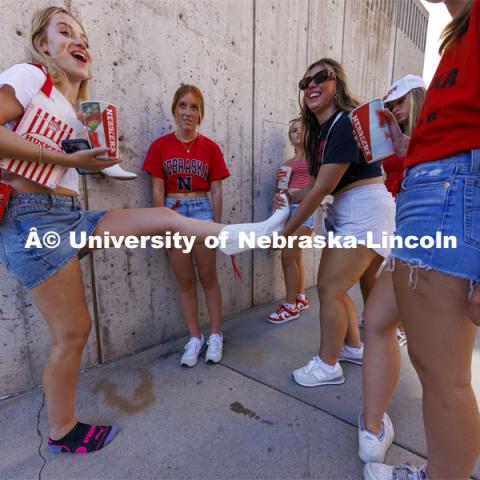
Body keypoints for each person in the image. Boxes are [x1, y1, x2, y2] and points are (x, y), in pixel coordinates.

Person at [0, 6, 288, 455]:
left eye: (83, 36)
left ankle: (235, 236)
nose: (80, 41)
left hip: (68, 214)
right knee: (74, 332)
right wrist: (70, 160)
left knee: (169, 218)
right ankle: (61, 431)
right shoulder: (29, 76)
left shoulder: (72, 108)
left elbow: (65, 169)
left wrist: (101, 163)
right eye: (65, 32)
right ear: (42, 44)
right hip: (33, 218)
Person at [364, 0, 480, 478]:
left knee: (441, 374)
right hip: (431, 198)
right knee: (378, 318)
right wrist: (408, 149)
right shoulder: (460, 31)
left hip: (447, 198)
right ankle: (377, 431)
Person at [275, 58, 395, 387]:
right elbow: (315, 187)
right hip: (350, 208)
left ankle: (328, 365)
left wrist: (286, 233)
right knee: (337, 287)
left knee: (328, 287)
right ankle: (353, 347)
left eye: (320, 78)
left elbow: (325, 187)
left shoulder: (342, 122)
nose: (311, 86)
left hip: (364, 208)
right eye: (305, 82)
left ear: (336, 83)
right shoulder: (321, 133)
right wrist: (287, 199)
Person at [358, 74, 426, 464]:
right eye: (391, 106)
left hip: (436, 249)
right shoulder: (402, 145)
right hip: (409, 244)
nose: (395, 111)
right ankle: (372, 427)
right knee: (378, 322)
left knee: (437, 364)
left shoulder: (439, 136)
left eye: (401, 103)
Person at [143, 85, 230, 367]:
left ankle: (216, 333)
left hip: (202, 211)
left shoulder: (211, 148)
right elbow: (157, 189)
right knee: (184, 280)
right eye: (183, 105)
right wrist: (161, 225)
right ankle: (196, 338)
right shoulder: (160, 146)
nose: (188, 112)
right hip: (172, 212)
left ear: (200, 113)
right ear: (174, 109)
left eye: (194, 107)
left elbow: (216, 189)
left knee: (208, 277)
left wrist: (216, 227)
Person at [267, 118, 314, 324]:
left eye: (302, 128)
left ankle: (290, 306)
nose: (298, 132)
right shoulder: (286, 165)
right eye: (294, 130)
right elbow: (280, 195)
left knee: (287, 256)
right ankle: (300, 298)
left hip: (308, 211)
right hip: (289, 212)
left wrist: (290, 195)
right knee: (296, 257)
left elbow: (316, 189)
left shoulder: (315, 159)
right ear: (290, 137)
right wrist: (278, 194)